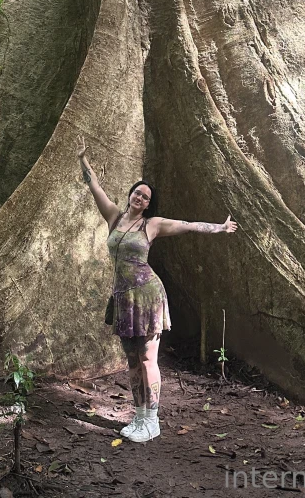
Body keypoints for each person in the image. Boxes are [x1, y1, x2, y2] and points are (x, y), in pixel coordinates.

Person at [77, 141, 237, 444]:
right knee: (132, 361)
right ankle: (138, 416)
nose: (140, 198)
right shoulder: (114, 217)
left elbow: (188, 225)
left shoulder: (151, 225)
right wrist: (83, 161)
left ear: (149, 204)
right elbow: (94, 186)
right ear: (130, 195)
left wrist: (219, 228)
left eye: (146, 197)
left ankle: (152, 420)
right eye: (137, 192)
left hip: (148, 296)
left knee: (149, 358)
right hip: (124, 299)